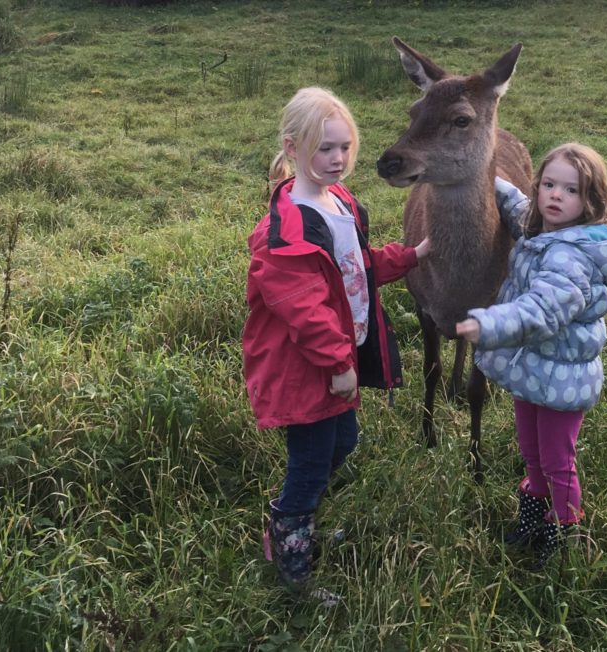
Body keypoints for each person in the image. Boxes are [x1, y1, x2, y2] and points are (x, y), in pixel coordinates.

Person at [242, 87, 430, 602]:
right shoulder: (285, 230)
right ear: (293, 147)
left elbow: (358, 267)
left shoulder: (340, 202)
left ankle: (295, 525)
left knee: (344, 443)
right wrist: (338, 363)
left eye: (345, 147)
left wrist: (411, 255)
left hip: (336, 361)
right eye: (325, 148)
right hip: (305, 369)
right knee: (309, 463)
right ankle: (291, 562)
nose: (338, 158)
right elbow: (305, 307)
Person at [455, 143, 607, 566]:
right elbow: (516, 206)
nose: (556, 195)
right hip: (537, 372)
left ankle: (562, 537)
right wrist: (479, 172)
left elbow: (542, 311)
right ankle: (533, 520)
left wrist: (490, 325)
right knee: (532, 452)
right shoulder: (543, 230)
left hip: (564, 381)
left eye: (570, 190)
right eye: (549, 185)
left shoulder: (571, 257)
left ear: (590, 202)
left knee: (558, 462)